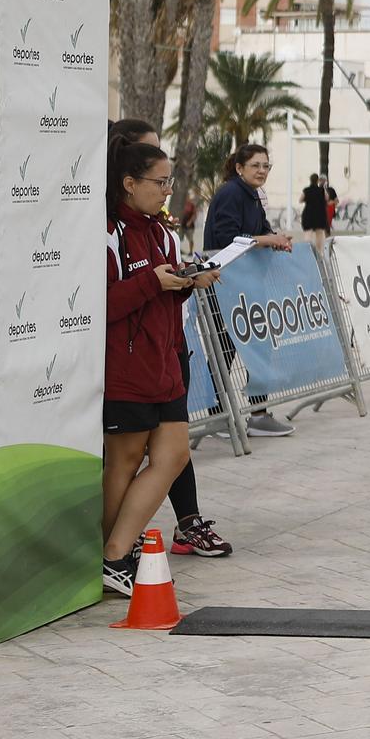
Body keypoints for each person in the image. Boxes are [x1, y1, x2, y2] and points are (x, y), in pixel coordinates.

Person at [108, 120, 232, 558]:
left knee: (174, 455)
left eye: (170, 182)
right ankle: (111, 555)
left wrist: (186, 283)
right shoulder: (108, 233)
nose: (167, 191)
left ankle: (115, 553)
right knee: (122, 466)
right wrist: (154, 285)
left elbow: (160, 296)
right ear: (128, 182)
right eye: (160, 182)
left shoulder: (162, 232)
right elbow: (97, 307)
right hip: (126, 371)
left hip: (166, 365)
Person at [203, 144, 296, 438]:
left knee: (257, 345)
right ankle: (217, 416)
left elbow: (260, 229)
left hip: (245, 285)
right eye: (256, 165)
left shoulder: (253, 195)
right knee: (224, 349)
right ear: (239, 168)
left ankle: (258, 413)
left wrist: (276, 238)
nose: (262, 170)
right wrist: (268, 240)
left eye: (266, 166)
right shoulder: (231, 193)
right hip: (225, 282)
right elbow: (229, 238)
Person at [301, 172, 333, 248]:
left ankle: (308, 251)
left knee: (308, 235)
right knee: (320, 235)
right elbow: (327, 198)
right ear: (317, 180)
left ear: (310, 180)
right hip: (319, 216)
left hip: (308, 215)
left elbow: (300, 199)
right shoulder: (321, 190)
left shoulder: (306, 190)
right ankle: (320, 253)